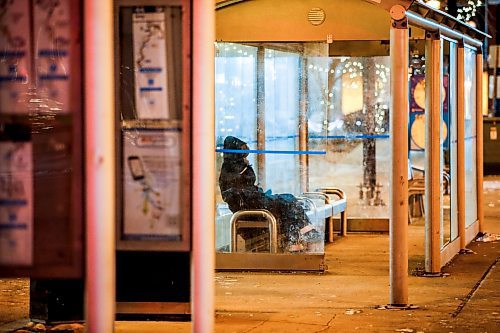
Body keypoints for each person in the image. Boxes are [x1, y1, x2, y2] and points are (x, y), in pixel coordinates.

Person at [219, 136, 319, 252]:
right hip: (250, 206)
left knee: (287, 201)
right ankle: (300, 235)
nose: (244, 155)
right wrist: (256, 192)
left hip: (253, 201)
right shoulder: (232, 169)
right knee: (287, 202)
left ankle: (296, 237)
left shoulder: (236, 166)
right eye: (241, 151)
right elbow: (238, 193)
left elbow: (245, 188)